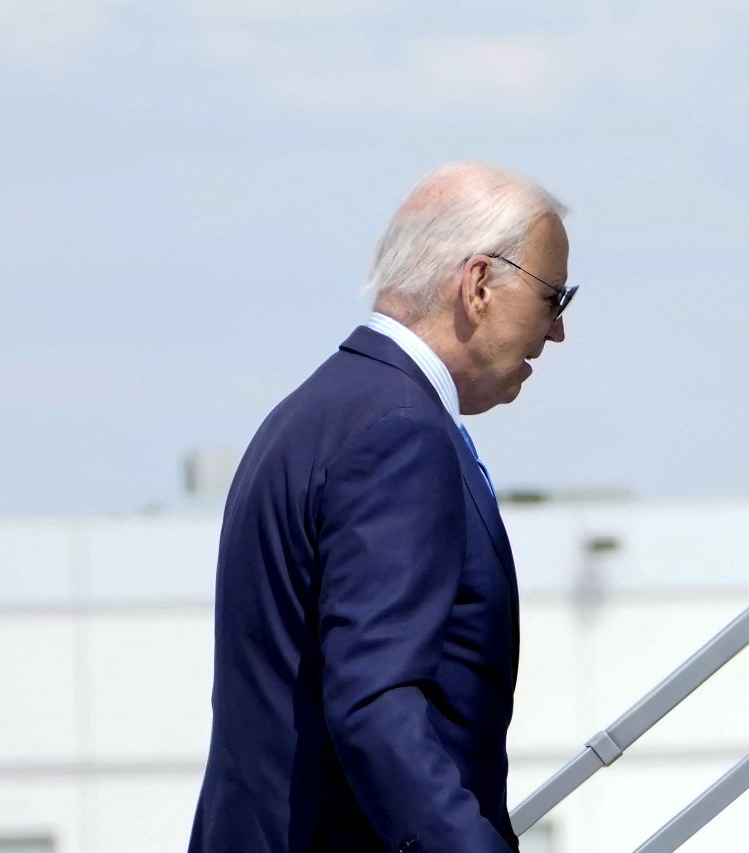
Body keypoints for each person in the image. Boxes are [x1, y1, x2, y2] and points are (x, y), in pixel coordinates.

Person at [188, 162, 575, 852]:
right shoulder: (401, 430)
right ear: (479, 284)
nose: (556, 333)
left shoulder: (314, 413)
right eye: (554, 299)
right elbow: (377, 705)